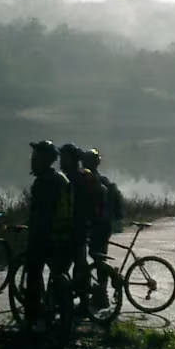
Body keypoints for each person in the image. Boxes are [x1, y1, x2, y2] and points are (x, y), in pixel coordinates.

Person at [24, 140, 72, 329]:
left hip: (47, 237)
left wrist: (32, 236)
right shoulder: (62, 179)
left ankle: (32, 318)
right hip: (65, 235)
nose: (32, 161)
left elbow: (41, 215)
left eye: (35, 157)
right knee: (58, 274)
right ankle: (59, 312)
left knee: (33, 272)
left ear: (45, 160)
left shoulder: (43, 183)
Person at [58, 143, 102, 304]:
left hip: (72, 227)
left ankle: (68, 302)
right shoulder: (85, 176)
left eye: (64, 158)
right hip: (83, 227)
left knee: (64, 267)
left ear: (72, 160)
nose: (61, 161)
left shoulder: (68, 179)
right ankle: (82, 300)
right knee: (79, 264)